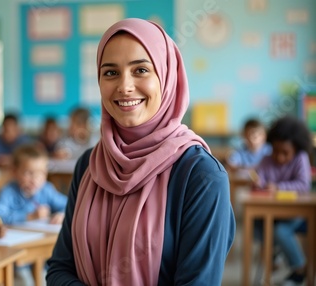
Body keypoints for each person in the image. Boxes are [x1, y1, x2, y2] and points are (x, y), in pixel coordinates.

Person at [46, 18, 235, 285]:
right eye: (110, 72)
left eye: (141, 70)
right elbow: (60, 269)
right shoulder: (89, 165)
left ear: (167, 77)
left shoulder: (200, 175)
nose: (124, 86)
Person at [253, 115, 312, 285]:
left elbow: (303, 185)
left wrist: (278, 187)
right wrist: (259, 183)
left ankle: (299, 269)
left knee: (280, 231)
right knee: (257, 225)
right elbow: (261, 181)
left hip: (295, 213)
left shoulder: (301, 158)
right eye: (276, 151)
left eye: (286, 153)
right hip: (270, 211)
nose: (279, 157)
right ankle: (274, 253)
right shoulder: (266, 160)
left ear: (296, 149)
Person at [0, 144, 67, 225]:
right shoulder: (8, 192)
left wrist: (62, 215)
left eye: (41, 173)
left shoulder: (46, 189)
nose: (35, 179)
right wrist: (28, 216)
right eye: (29, 173)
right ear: (14, 172)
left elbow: (69, 205)